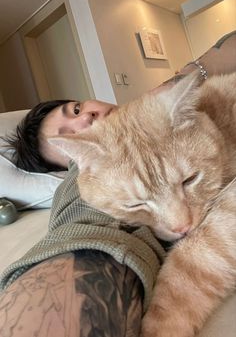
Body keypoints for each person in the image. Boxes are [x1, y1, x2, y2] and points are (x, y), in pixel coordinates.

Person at [0, 31, 235, 337]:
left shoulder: (175, 106)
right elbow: (86, 232)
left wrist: (182, 80)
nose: (87, 119)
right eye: (70, 137)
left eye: (75, 109)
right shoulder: (91, 181)